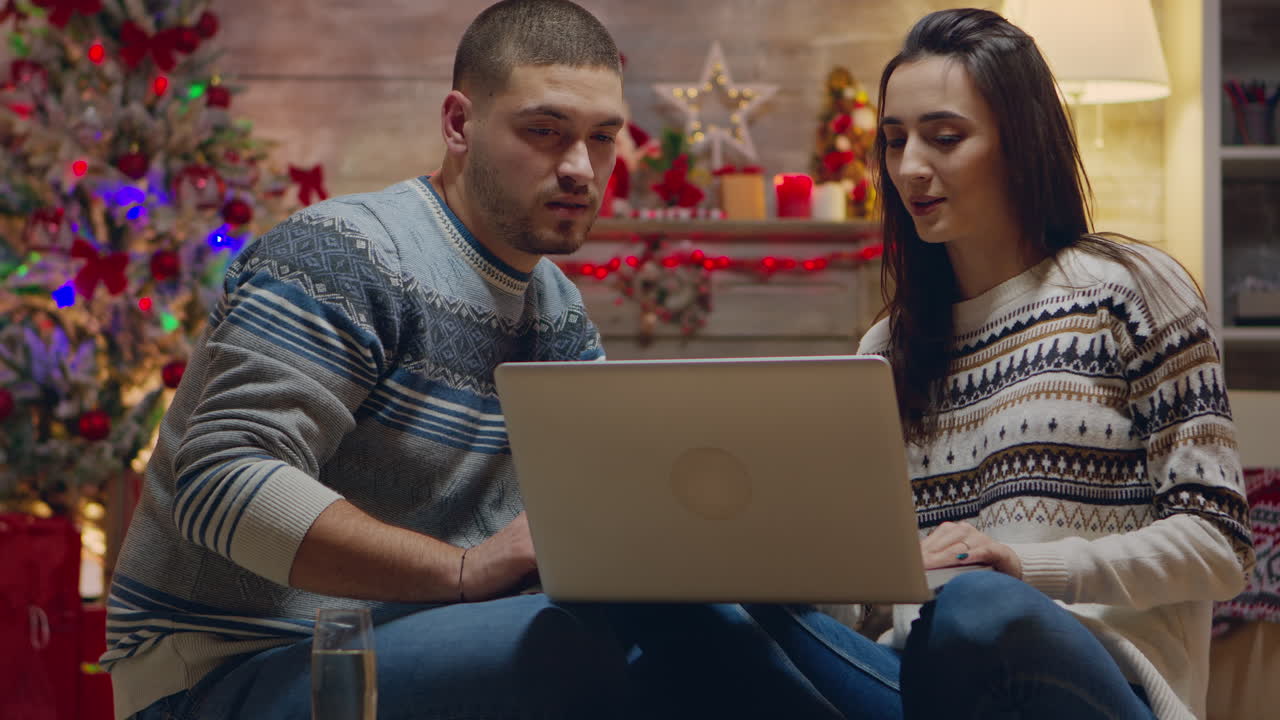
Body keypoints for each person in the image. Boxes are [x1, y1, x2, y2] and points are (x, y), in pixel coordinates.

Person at [102, 2, 625, 718]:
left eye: (602, 138)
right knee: (578, 648)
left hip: (427, 635)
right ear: (458, 124)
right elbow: (221, 480)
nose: (579, 167)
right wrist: (464, 570)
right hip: (227, 665)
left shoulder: (559, 311)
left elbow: (597, 502)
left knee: (717, 618)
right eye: (544, 131)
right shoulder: (349, 254)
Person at [736, 8, 1255, 720]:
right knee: (707, 607)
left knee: (979, 604)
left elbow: (1220, 544)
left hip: (1092, 679)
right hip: (915, 682)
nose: (910, 168)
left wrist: (1023, 568)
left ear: (1020, 142)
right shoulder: (885, 350)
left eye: (945, 137)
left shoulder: (1129, 291)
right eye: (894, 140)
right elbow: (865, 612)